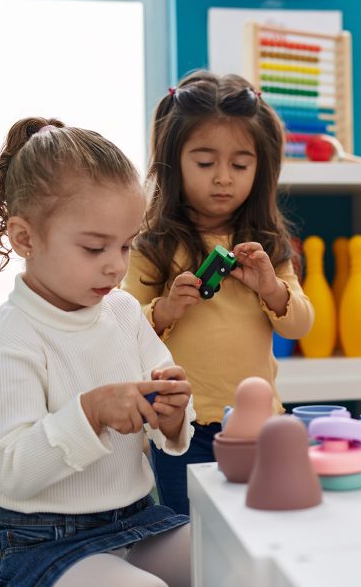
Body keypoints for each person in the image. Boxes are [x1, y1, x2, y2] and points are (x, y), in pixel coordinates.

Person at [0, 118, 195, 586]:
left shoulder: (125, 312)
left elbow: (166, 399)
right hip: (45, 544)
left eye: (126, 245)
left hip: (136, 520)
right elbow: (9, 470)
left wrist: (172, 415)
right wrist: (89, 413)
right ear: (25, 238)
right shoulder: (11, 338)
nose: (115, 264)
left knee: (230, 556)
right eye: (95, 248)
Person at [123, 70, 314, 514]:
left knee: (264, 520)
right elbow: (123, 322)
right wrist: (167, 308)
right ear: (173, 161)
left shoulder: (267, 244)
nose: (223, 178)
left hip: (260, 422)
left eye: (240, 164)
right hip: (180, 423)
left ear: (260, 168)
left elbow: (302, 322)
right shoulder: (155, 243)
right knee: (189, 533)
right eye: (205, 163)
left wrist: (270, 286)